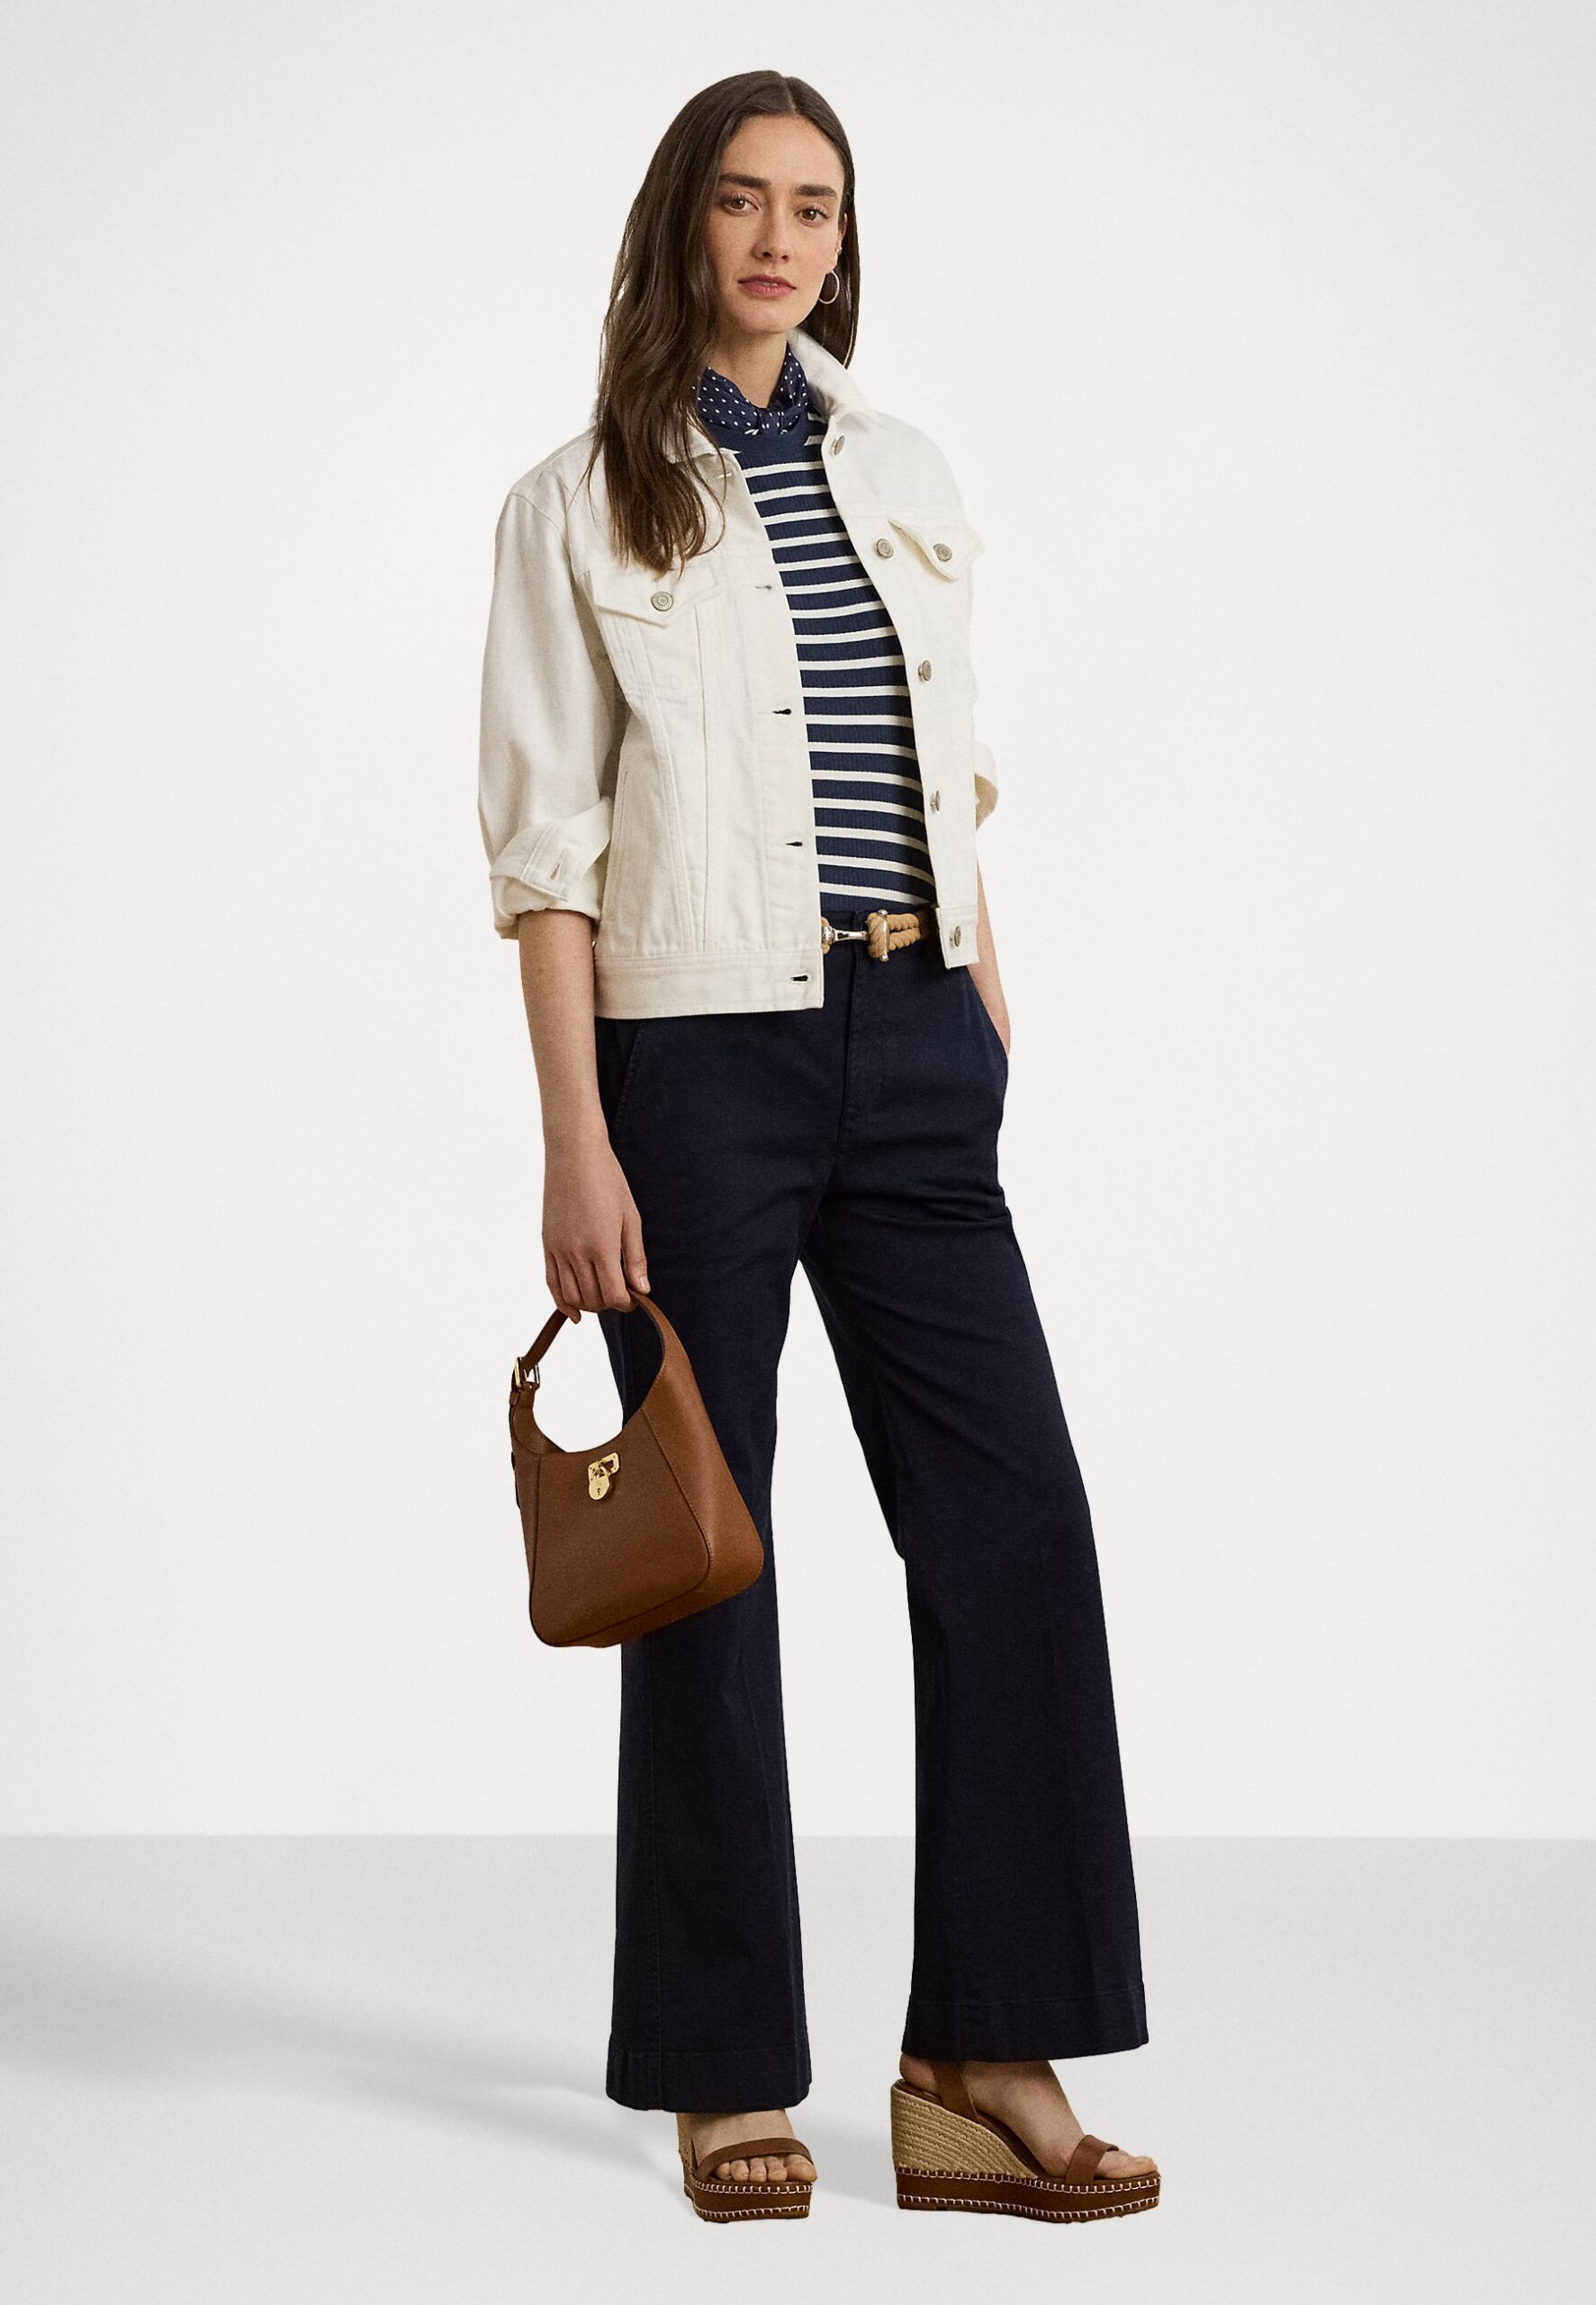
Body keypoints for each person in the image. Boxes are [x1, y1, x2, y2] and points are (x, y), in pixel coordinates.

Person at [477, 69, 1159, 2225]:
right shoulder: (575, 502)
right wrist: (575, 1138)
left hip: (914, 1040)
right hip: (692, 1056)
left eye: (814, 207)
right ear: (681, 225)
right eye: (743, 201)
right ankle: (717, 2061)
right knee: (713, 1547)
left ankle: (978, 2052)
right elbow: (544, 857)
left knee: (1014, 1526)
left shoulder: (906, 471)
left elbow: (944, 768)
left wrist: (982, 991)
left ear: (841, 241)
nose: (780, 239)